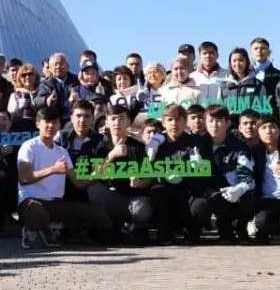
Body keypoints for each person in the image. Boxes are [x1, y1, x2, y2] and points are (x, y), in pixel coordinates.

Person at [17, 107, 111, 248]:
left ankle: (57, 232)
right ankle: (31, 231)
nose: (50, 126)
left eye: (54, 122)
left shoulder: (62, 152)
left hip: (56, 203)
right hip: (32, 201)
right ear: (38, 124)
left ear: (59, 125)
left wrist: (97, 174)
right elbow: (25, 178)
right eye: (46, 122)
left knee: (99, 217)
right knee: (38, 216)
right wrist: (53, 170)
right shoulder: (29, 147)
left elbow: (78, 183)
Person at [84, 105, 155, 243]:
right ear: (107, 122)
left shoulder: (138, 147)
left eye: (121, 118)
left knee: (143, 209)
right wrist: (110, 156)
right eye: (113, 119)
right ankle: (110, 228)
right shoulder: (97, 145)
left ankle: (126, 228)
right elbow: (90, 176)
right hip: (106, 196)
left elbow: (149, 178)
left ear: (128, 121)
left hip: (130, 198)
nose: (117, 123)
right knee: (94, 191)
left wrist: (140, 182)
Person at [196, 106, 256, 242]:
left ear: (227, 123)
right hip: (207, 191)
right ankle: (198, 230)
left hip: (231, 191)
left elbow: (248, 177)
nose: (214, 125)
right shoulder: (198, 145)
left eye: (219, 121)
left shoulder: (239, 147)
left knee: (249, 193)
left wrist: (239, 188)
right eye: (210, 121)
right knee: (198, 206)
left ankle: (242, 228)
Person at [150, 104, 208, 243]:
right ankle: (165, 234)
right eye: (170, 120)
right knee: (159, 192)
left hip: (189, 189)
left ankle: (192, 232)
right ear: (163, 122)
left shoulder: (195, 142)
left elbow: (203, 171)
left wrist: (196, 166)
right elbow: (148, 169)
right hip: (165, 188)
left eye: (179, 120)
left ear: (185, 121)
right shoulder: (156, 143)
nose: (174, 124)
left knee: (200, 204)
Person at [248, 117, 280, 244]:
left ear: (279, 131)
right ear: (258, 132)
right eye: (264, 128)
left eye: (272, 127)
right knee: (262, 221)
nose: (268, 131)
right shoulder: (255, 152)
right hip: (267, 200)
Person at [35, 52, 76, 121]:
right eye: (55, 65)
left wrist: (78, 100)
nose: (58, 67)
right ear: (50, 69)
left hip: (73, 120)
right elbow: (36, 100)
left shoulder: (77, 81)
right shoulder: (45, 84)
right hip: (55, 120)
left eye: (61, 63)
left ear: (67, 66)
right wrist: (46, 100)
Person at [249, 37, 280, 106]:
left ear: (269, 52)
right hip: (249, 115)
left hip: (271, 115)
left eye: (263, 48)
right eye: (256, 48)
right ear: (251, 52)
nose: (259, 51)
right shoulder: (245, 75)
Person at [7, 63, 40, 131]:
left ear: (36, 76)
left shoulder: (42, 92)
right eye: (23, 75)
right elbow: (11, 115)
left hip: (38, 128)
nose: (27, 77)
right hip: (20, 129)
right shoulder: (15, 95)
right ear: (19, 78)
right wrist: (19, 107)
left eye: (30, 74)